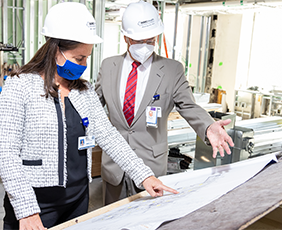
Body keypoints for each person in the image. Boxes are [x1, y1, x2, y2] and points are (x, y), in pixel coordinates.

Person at [0, 2, 177, 230]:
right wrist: (26, 209)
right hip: (37, 201)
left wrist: (144, 176)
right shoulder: (20, 88)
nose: (84, 64)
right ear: (55, 50)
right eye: (79, 58)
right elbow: (6, 153)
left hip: (78, 199)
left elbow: (109, 136)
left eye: (86, 57)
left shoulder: (84, 91)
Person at [95, 0, 234, 205]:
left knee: (146, 221)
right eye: (138, 40)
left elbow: (188, 105)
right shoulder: (109, 66)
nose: (145, 46)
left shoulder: (171, 70)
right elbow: (92, 105)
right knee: (110, 218)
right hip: (113, 165)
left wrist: (207, 127)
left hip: (150, 164)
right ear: (126, 37)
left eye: (150, 40)